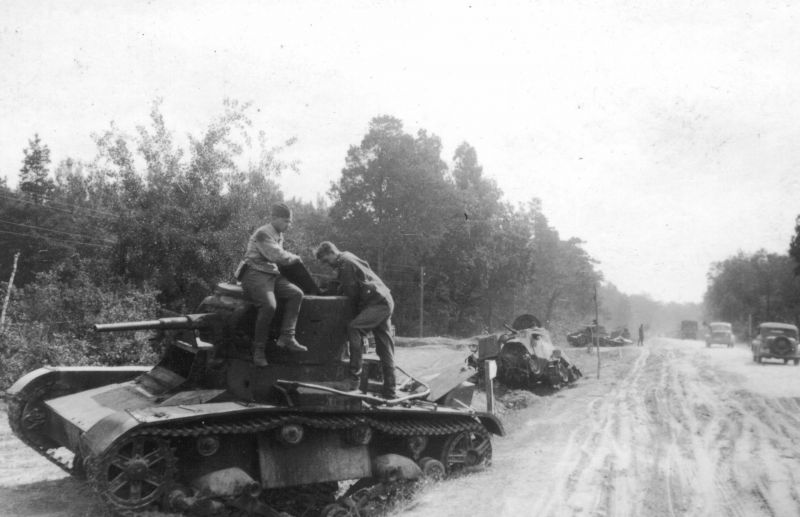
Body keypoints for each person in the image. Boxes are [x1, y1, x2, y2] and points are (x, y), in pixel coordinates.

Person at [315, 241, 396, 399]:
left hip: (377, 303)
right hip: (383, 300)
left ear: (332, 253)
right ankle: (390, 390)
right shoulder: (346, 258)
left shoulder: (346, 264)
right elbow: (345, 286)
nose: (327, 265)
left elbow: (351, 296)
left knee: (354, 328)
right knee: (384, 347)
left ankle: (353, 379)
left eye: (326, 260)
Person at [238, 203, 307, 367]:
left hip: (271, 274)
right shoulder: (263, 233)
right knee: (269, 306)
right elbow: (278, 256)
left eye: (290, 222)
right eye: (285, 221)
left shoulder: (277, 233)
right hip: (254, 273)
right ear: (274, 218)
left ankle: (287, 336)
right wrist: (295, 258)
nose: (288, 225)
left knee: (296, 294)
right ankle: (258, 350)